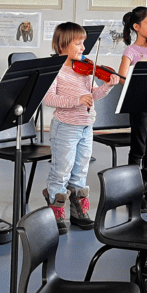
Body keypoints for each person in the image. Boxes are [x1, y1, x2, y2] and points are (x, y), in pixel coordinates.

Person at [43, 22, 120, 235]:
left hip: (86, 126)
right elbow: (49, 99)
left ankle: (78, 211)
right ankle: (56, 209)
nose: (83, 48)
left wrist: (107, 86)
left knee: (81, 169)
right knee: (61, 169)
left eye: (83, 43)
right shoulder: (56, 70)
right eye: (78, 44)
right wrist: (77, 99)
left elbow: (93, 95)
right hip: (66, 127)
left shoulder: (85, 68)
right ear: (63, 45)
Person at [118, 7, 147, 201]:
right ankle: (133, 189)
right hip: (139, 105)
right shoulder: (131, 50)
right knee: (139, 148)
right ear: (136, 27)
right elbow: (121, 77)